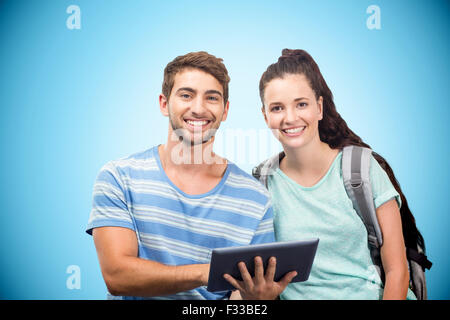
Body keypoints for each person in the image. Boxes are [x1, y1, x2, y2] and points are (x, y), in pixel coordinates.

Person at [86, 51, 296, 300]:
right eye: (186, 95)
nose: (198, 108)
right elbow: (117, 276)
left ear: (225, 110)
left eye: (212, 98)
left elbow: (241, 299)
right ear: (164, 104)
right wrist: (208, 273)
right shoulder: (119, 178)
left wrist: (255, 297)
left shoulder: (256, 198)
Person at [253, 49, 419, 300]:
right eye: (277, 108)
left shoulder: (361, 169)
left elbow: (397, 271)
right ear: (265, 116)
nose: (290, 118)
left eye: (301, 104)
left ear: (319, 108)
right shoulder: (262, 182)